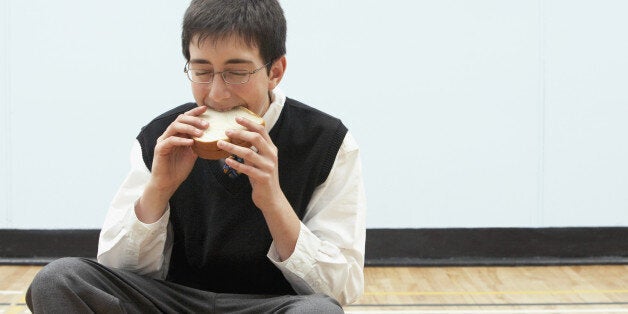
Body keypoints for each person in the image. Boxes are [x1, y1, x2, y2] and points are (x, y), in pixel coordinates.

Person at [26, 0, 366, 312]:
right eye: (202, 71)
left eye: (236, 72)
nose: (218, 93)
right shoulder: (160, 138)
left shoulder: (328, 143)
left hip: (270, 307)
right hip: (173, 303)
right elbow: (118, 273)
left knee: (317, 312)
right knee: (59, 280)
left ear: (275, 71)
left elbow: (340, 290)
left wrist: (273, 201)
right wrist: (159, 188)